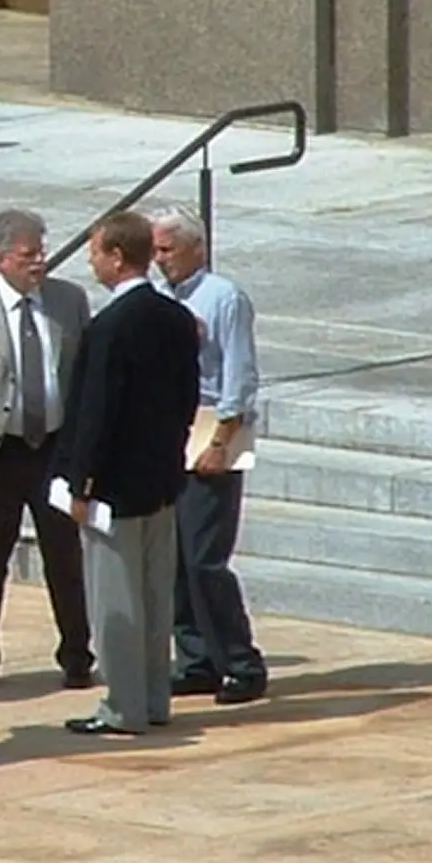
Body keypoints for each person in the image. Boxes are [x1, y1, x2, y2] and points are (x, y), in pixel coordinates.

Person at [52, 210, 201, 740]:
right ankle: (154, 698)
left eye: (95, 253)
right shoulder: (176, 317)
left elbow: (96, 413)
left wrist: (80, 483)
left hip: (114, 488)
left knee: (116, 601)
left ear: (118, 257)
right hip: (161, 481)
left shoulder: (110, 327)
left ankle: (123, 705)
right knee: (156, 595)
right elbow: (187, 399)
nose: (92, 262)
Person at [0, 208, 93, 694]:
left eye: (42, 251)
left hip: (52, 447)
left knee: (65, 558)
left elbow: (81, 373)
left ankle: (76, 655)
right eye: (29, 254)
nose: (39, 262)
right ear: (1, 258)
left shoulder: (69, 301)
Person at [150, 205, 268, 704]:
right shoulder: (159, 297)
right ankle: (194, 657)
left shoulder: (223, 298)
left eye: (167, 250)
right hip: (170, 431)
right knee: (174, 556)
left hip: (212, 427)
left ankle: (241, 660)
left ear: (196, 248)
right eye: (155, 250)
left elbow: (239, 376)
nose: (160, 260)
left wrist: (221, 441)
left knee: (204, 557)